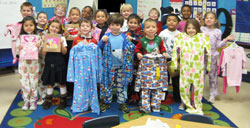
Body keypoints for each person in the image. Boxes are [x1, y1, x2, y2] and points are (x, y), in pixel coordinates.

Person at [171, 19, 211, 115]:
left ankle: (196, 104)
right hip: (185, 67)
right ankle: (185, 102)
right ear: (185, 29)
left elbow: (209, 53)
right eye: (189, 28)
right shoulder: (181, 37)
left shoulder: (202, 37)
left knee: (197, 87)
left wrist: (208, 66)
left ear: (197, 28)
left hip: (198, 68)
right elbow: (175, 51)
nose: (191, 30)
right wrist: (174, 64)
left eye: (193, 28)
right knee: (184, 86)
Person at [98, 14, 135, 113]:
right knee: (107, 84)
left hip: (121, 66)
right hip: (108, 66)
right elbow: (98, 47)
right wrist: (102, 41)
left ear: (121, 25)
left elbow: (131, 49)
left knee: (122, 84)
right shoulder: (107, 36)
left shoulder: (124, 37)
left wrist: (130, 42)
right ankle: (106, 102)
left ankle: (122, 102)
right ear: (109, 25)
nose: (114, 27)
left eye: (117, 25)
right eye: (112, 25)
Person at [67, 18, 102, 115]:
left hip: (91, 66)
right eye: (83, 26)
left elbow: (98, 56)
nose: (85, 28)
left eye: (87, 26)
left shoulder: (94, 40)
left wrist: (98, 71)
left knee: (91, 84)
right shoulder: (76, 39)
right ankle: (79, 104)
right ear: (79, 28)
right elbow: (72, 55)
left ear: (91, 28)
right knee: (80, 86)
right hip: (79, 67)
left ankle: (90, 102)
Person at [134, 18, 168, 113]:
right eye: (148, 27)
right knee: (146, 88)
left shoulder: (159, 39)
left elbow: (162, 48)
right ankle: (145, 106)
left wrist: (164, 52)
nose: (150, 29)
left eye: (153, 27)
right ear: (144, 30)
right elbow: (137, 49)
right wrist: (138, 54)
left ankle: (156, 105)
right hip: (146, 68)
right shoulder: (142, 40)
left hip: (157, 67)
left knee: (157, 86)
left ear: (157, 29)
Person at [201, 12, 234, 103]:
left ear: (215, 21)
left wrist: (226, 40)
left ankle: (212, 94)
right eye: (207, 18)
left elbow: (218, 45)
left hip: (213, 56)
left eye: (211, 18)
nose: (208, 19)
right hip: (201, 56)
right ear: (204, 20)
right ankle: (199, 93)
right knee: (201, 75)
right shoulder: (201, 29)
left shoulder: (218, 31)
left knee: (212, 76)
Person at [41, 20, 68, 110]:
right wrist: (44, 42)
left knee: (61, 82)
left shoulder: (62, 38)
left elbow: (64, 52)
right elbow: (44, 52)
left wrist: (60, 43)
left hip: (60, 63)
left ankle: (63, 99)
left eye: (57, 28)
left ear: (60, 30)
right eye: (52, 26)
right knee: (50, 82)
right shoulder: (45, 37)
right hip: (49, 62)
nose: (54, 29)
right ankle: (48, 99)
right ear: (48, 27)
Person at [17, 16, 40, 111]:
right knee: (24, 82)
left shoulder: (37, 37)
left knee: (33, 82)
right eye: (26, 25)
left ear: (35, 26)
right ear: (23, 26)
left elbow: (40, 51)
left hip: (33, 64)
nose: (29, 27)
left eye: (31, 25)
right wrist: (19, 49)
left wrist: (39, 46)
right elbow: (17, 52)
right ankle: (26, 100)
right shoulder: (20, 38)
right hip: (23, 64)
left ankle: (33, 100)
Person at [159, 13, 181, 103]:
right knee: (165, 79)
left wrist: (180, 55)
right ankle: (163, 95)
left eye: (174, 21)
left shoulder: (180, 34)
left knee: (176, 80)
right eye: (169, 20)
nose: (171, 22)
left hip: (176, 59)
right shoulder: (163, 33)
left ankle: (177, 96)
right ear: (166, 23)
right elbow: (159, 45)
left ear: (177, 23)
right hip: (165, 59)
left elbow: (182, 46)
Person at [124, 14, 142, 104]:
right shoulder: (124, 34)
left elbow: (141, 45)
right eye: (131, 22)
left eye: (135, 23)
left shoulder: (141, 35)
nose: (133, 24)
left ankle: (136, 95)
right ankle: (127, 95)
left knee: (136, 78)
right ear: (127, 23)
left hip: (137, 61)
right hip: (126, 61)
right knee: (127, 78)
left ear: (139, 24)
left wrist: (133, 40)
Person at [63, 7, 81, 98]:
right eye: (73, 14)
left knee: (78, 70)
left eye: (77, 14)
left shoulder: (82, 26)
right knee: (69, 70)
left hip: (79, 52)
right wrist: (64, 35)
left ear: (80, 16)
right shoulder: (66, 27)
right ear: (69, 16)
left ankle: (78, 89)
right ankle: (69, 90)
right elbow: (62, 40)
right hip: (69, 51)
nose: (74, 16)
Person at [36, 11, 48, 105]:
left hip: (46, 56)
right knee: (38, 75)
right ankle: (41, 94)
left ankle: (45, 95)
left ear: (47, 20)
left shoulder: (49, 30)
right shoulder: (33, 29)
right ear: (37, 19)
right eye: (40, 17)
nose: (42, 19)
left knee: (45, 74)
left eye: (44, 17)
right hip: (35, 56)